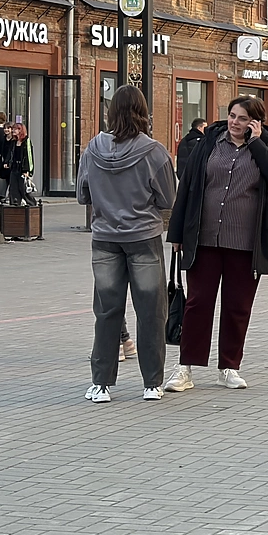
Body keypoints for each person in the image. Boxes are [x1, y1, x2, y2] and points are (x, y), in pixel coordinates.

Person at [164, 96, 268, 393]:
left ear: (255, 122)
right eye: (232, 116)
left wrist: (257, 142)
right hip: (204, 237)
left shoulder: (267, 146)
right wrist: (177, 233)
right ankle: (185, 368)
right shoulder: (209, 143)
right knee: (198, 304)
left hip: (245, 242)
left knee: (237, 307)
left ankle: (229, 367)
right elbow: (189, 187)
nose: (235, 122)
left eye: (243, 118)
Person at [77, 86, 177, 403]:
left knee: (107, 311)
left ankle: (101, 383)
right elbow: (168, 199)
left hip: (105, 237)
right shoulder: (155, 152)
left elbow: (82, 195)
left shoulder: (93, 149)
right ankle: (152, 383)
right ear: (143, 112)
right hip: (143, 238)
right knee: (150, 312)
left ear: (110, 112)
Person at [3, 123, 37, 207]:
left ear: (20, 130)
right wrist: (7, 162)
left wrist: (28, 171)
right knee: (13, 189)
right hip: (14, 168)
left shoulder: (26, 141)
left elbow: (29, 156)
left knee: (23, 189)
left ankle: (32, 205)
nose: (14, 131)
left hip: (22, 169)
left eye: (16, 129)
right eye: (13, 129)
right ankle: (14, 205)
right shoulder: (13, 142)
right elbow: (10, 153)